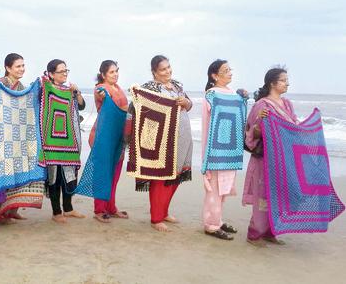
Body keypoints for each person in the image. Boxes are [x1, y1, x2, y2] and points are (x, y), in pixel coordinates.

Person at [133, 55, 193, 232]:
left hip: (183, 138)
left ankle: (164, 211)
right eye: (163, 69)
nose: (168, 71)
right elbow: (137, 109)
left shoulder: (177, 85)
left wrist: (186, 102)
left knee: (175, 177)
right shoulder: (149, 88)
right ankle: (156, 218)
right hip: (163, 141)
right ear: (154, 72)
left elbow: (189, 105)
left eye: (168, 67)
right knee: (161, 178)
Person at [0, 53, 45, 223]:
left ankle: (12, 210)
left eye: (23, 65)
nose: (22, 69)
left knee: (18, 171)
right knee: (2, 173)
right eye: (18, 66)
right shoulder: (0, 84)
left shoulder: (21, 87)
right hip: (1, 136)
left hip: (18, 137)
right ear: (8, 68)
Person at [243, 67, 295, 246]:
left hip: (282, 158)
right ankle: (254, 234)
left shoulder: (287, 104)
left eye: (287, 80)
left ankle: (270, 232)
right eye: (283, 80)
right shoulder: (262, 105)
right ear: (272, 83)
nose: (287, 83)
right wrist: (262, 121)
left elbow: (292, 128)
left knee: (277, 195)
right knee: (262, 196)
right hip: (264, 158)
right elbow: (251, 133)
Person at [201, 59, 246, 240]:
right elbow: (207, 124)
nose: (230, 73)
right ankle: (210, 225)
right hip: (216, 149)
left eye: (230, 69)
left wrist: (244, 98)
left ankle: (218, 220)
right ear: (214, 75)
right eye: (225, 70)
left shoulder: (233, 93)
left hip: (230, 148)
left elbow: (241, 113)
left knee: (224, 188)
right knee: (214, 189)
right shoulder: (211, 95)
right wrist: (206, 154)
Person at [44, 59, 86, 223]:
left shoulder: (69, 90)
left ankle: (68, 209)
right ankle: (56, 212)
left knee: (70, 174)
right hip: (52, 141)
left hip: (70, 140)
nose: (65, 74)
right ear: (52, 74)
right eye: (61, 71)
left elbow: (81, 106)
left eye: (66, 70)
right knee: (54, 177)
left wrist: (78, 92)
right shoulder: (46, 90)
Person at [89, 60, 129, 223]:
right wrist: (102, 96)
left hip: (118, 136)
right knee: (103, 174)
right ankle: (99, 210)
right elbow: (100, 95)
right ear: (103, 74)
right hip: (104, 136)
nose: (115, 74)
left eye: (117, 71)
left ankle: (111, 208)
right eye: (112, 72)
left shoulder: (118, 88)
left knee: (115, 174)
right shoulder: (101, 88)